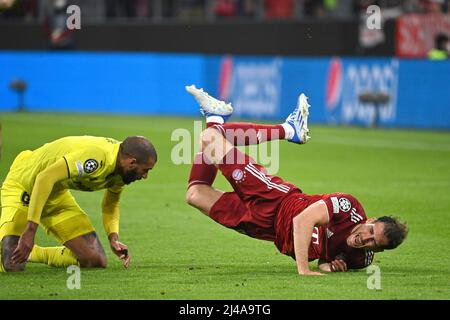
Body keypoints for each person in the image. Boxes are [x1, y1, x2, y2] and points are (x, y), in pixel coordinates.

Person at [184, 85, 408, 276]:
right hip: (275, 200)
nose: (365, 239)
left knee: (195, 195)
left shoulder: (362, 259)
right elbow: (302, 220)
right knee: (210, 139)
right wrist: (304, 269)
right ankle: (288, 129)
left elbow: (326, 258)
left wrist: (329, 266)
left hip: (266, 229)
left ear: (377, 251)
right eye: (370, 231)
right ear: (371, 219)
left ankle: (215, 116)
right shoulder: (349, 207)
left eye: (373, 243)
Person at [0, 135, 157, 272]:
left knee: (95, 260)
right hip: (24, 186)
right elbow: (44, 178)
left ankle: (32, 252)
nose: (145, 176)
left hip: (55, 194)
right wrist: (30, 230)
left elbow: (111, 205)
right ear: (132, 162)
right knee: (12, 265)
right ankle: (14, 247)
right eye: (145, 170)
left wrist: (113, 238)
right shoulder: (97, 158)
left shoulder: (121, 171)